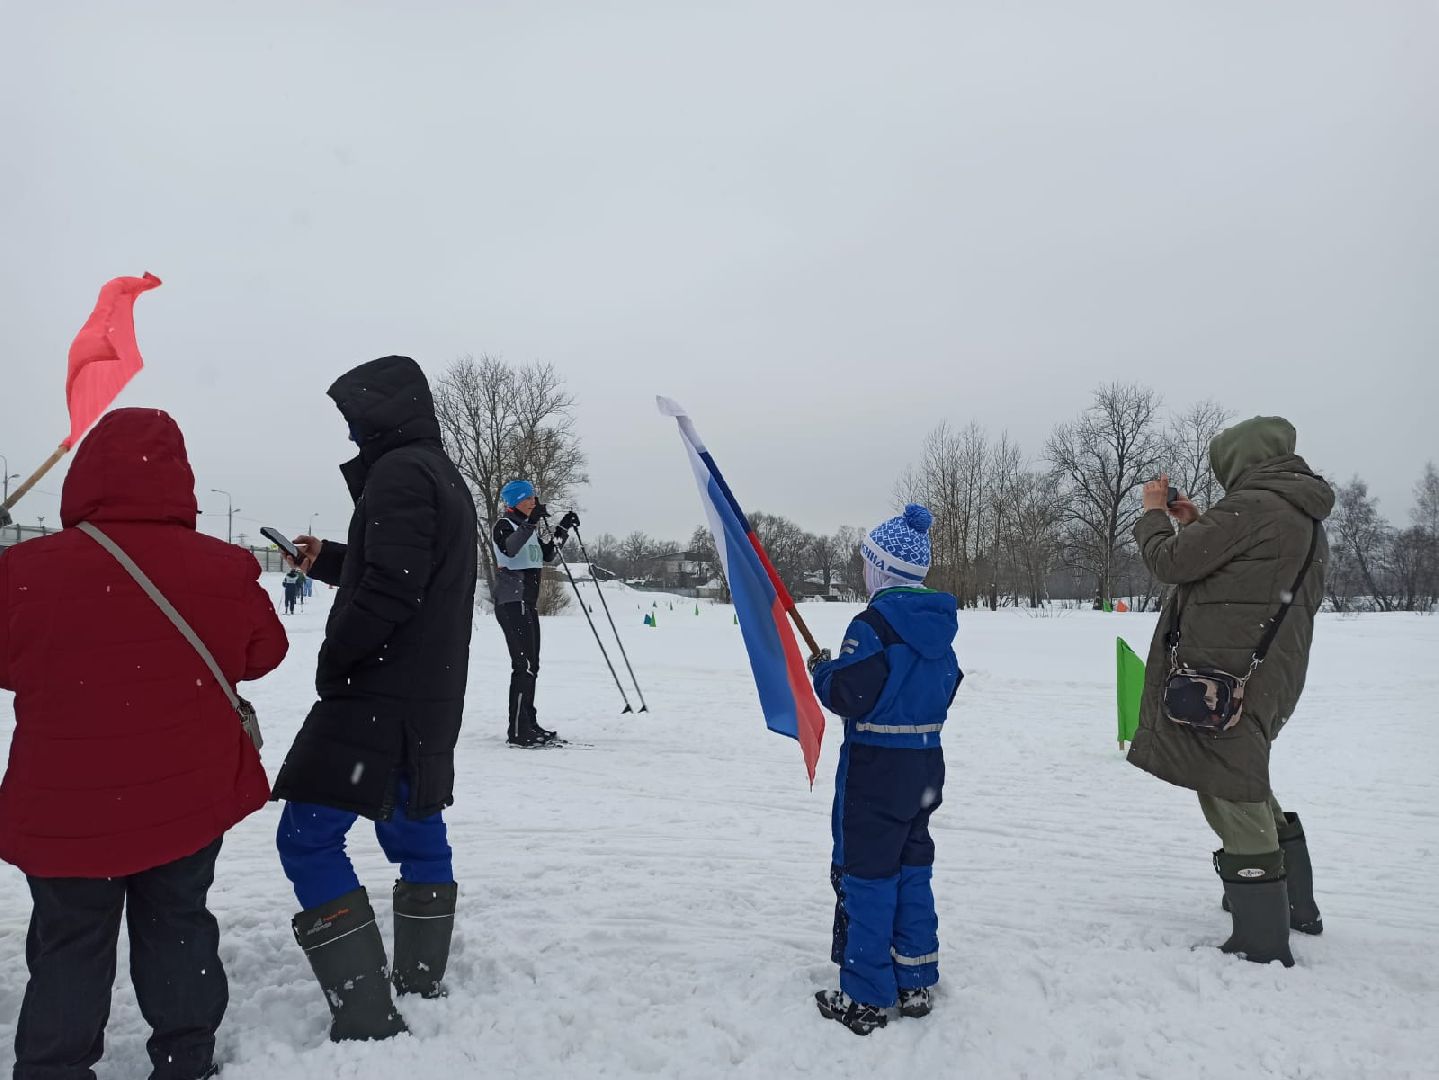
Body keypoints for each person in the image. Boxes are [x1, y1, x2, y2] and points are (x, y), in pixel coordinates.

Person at [0, 408, 287, 1080]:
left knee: (71, 940)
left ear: (85, 477)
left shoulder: (24, 570)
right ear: (180, 482)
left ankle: (53, 1066)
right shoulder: (224, 567)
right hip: (185, 795)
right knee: (179, 922)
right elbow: (262, 654)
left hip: (65, 805)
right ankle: (186, 1057)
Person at [272, 355, 478, 1041]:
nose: (350, 427)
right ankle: (419, 979)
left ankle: (364, 1014)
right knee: (412, 825)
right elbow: (399, 564)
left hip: (378, 692)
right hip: (425, 690)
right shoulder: (435, 472)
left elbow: (392, 587)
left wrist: (337, 658)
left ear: (380, 409)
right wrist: (329, 558)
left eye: (353, 412)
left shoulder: (399, 473)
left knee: (307, 837)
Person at [1127, 416, 1332, 968]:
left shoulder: (1255, 507)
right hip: (1266, 674)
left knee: (1230, 787)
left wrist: (1152, 514)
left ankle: (1261, 935)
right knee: (1242, 774)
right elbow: (1233, 570)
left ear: (1241, 461)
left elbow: (1170, 561)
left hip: (1226, 677)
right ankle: (1293, 904)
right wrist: (1195, 520)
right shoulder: (1297, 511)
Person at [807, 504, 961, 1035]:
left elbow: (851, 693)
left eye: (866, 563)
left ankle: (867, 996)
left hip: (876, 767)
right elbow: (949, 683)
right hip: (924, 763)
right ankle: (914, 978)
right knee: (912, 866)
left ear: (882, 568)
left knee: (868, 875)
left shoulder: (873, 623)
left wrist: (823, 673)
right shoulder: (939, 623)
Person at [491, 480, 579, 747]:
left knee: (532, 666)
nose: (534, 501)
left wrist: (563, 527)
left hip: (527, 604)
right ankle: (517, 731)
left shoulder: (527, 528)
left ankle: (528, 722)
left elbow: (549, 554)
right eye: (528, 498)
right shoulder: (504, 525)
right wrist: (531, 522)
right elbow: (509, 549)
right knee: (523, 666)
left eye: (534, 497)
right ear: (514, 502)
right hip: (511, 602)